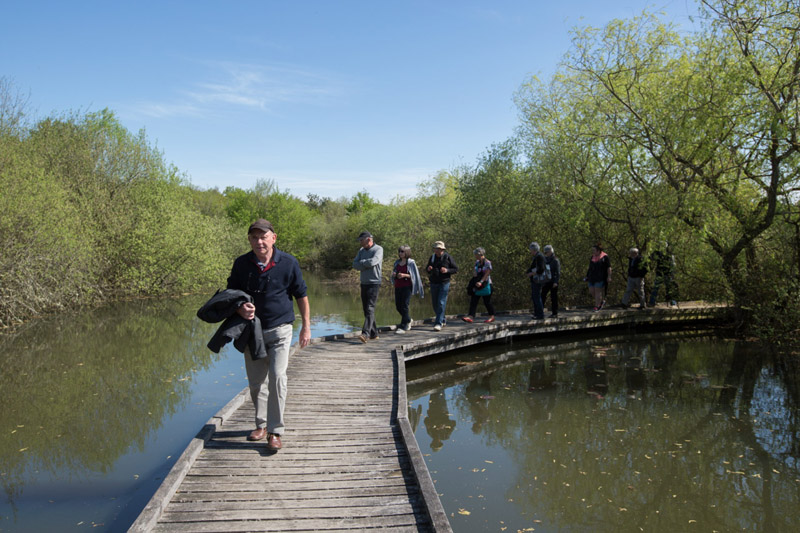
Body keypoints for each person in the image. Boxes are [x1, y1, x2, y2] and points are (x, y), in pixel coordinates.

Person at [226, 219, 311, 451]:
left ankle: (275, 431)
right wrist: (239, 308)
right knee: (256, 384)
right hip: (251, 332)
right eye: (254, 237)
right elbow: (231, 295)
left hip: (280, 330)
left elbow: (301, 295)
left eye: (263, 236)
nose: (259, 241)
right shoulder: (241, 264)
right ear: (249, 240)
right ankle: (261, 425)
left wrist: (306, 326)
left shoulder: (289, 262)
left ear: (274, 237)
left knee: (277, 377)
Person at [352, 231, 384, 343]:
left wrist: (363, 263)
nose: (360, 242)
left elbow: (373, 262)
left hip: (374, 283)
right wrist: (364, 264)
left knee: (370, 308)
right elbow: (354, 264)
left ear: (368, 239)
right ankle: (374, 334)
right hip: (364, 282)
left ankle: (365, 334)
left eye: (361, 240)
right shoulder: (361, 251)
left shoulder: (378, 249)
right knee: (366, 310)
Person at [391, 245, 424, 334]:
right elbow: (394, 272)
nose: (400, 253)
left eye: (402, 251)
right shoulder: (397, 262)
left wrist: (405, 275)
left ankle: (404, 326)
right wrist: (394, 274)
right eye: (399, 251)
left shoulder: (411, 262)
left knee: (405, 305)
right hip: (398, 286)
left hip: (407, 286)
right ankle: (408, 319)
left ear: (407, 252)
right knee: (398, 306)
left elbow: (414, 276)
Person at [426, 241, 458, 331]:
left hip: (444, 283)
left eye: (438, 249)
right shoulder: (432, 257)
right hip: (433, 283)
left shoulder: (448, 257)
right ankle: (442, 319)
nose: (436, 250)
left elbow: (455, 269)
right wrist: (429, 269)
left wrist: (447, 270)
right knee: (435, 304)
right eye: (435, 248)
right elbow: (427, 269)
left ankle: (438, 323)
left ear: (442, 250)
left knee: (441, 302)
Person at [462, 247, 496, 323]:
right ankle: (471, 316)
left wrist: (481, 281)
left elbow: (487, 273)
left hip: (486, 285)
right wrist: (474, 274)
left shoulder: (487, 262)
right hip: (477, 285)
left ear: (480, 254)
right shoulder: (477, 262)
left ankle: (491, 316)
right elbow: (475, 270)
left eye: (476, 254)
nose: (475, 256)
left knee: (487, 302)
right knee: (473, 300)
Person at [649, 242, 678, 307]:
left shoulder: (669, 254)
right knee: (656, 288)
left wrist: (672, 273)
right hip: (660, 273)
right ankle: (652, 302)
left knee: (669, 288)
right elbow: (650, 258)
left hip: (667, 273)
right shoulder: (657, 253)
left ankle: (673, 302)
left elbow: (672, 264)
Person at [584, 242, 611, 311]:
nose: (593, 252)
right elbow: (590, 267)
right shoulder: (592, 257)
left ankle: (597, 306)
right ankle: (601, 301)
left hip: (600, 277)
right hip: (592, 276)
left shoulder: (605, 257)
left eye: (594, 250)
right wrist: (587, 276)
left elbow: (609, 267)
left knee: (597, 291)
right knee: (591, 291)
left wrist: (609, 276)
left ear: (598, 251)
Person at [525, 242, 547, 320]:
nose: (530, 252)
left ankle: (540, 314)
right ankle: (537, 313)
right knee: (535, 296)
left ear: (534, 250)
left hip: (538, 280)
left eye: (531, 250)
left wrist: (531, 273)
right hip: (535, 280)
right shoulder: (537, 256)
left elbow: (541, 269)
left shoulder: (539, 257)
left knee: (537, 297)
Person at [540, 244, 561, 318]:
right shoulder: (545, 260)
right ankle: (539, 311)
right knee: (542, 296)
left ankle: (555, 313)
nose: (546, 254)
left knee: (554, 297)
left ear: (551, 252)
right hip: (546, 280)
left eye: (547, 252)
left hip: (553, 281)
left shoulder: (555, 260)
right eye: (545, 252)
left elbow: (557, 272)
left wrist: (556, 282)